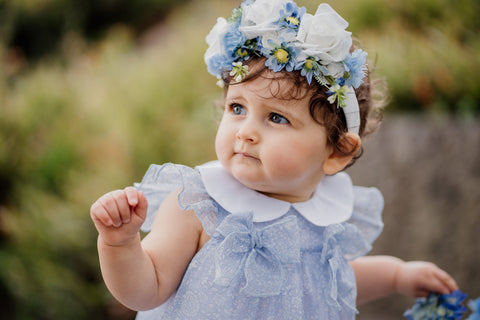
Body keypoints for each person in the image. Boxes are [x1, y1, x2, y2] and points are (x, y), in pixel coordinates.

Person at [90, 1, 458, 319]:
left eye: (276, 118)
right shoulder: (200, 203)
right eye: (237, 108)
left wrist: (397, 276)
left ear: (336, 152)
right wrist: (120, 244)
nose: (245, 131)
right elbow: (147, 287)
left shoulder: (322, 218)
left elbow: (327, 284)